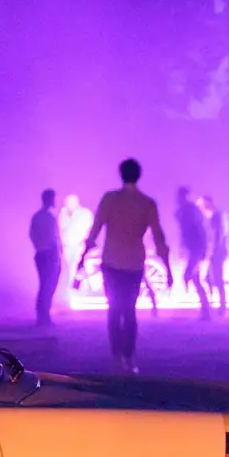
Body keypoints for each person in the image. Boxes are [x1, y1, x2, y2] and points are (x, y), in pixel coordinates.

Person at [78, 159, 171, 374]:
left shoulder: (110, 199)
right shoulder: (147, 203)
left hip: (111, 261)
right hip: (134, 263)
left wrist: (81, 260)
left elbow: (94, 232)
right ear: (139, 175)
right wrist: (168, 268)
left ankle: (116, 357)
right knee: (129, 311)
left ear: (120, 174)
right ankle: (129, 358)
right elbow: (159, 239)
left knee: (113, 309)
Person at [174, 186, 211, 319]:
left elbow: (197, 230)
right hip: (195, 248)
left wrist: (202, 250)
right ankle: (205, 310)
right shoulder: (187, 210)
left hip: (196, 248)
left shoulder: (190, 211)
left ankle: (206, 309)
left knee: (190, 275)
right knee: (194, 277)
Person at [29, 188, 60, 326]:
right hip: (49, 254)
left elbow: (32, 234)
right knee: (48, 285)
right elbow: (54, 238)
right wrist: (55, 253)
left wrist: (39, 246)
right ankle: (44, 316)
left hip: (40, 254)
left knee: (44, 285)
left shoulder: (37, 217)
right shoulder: (49, 218)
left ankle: (42, 315)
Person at [201, 193, 229, 313]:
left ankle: (222, 305)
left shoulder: (217, 216)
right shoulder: (214, 216)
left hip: (217, 252)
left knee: (217, 278)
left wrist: (212, 250)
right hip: (216, 251)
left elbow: (219, 235)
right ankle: (216, 302)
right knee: (210, 277)